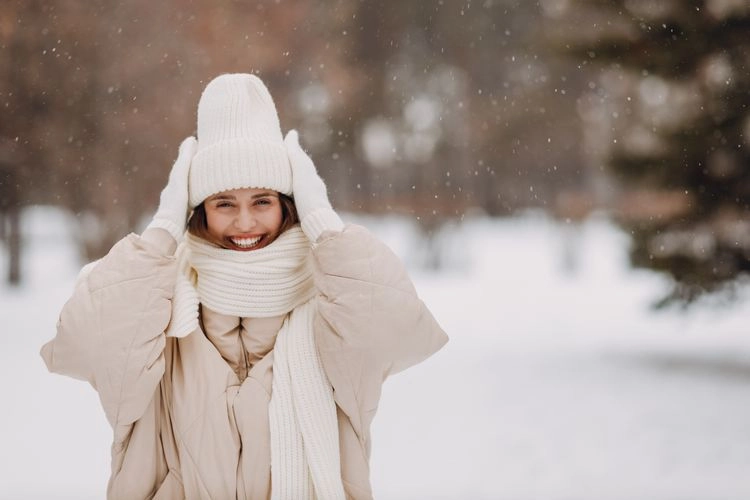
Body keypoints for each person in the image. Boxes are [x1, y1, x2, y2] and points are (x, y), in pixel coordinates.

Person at [40, 73, 448, 500]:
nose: (245, 223)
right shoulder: (159, 301)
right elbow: (85, 345)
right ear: (197, 211)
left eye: (262, 201)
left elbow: (395, 331)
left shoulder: (332, 300)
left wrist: (325, 225)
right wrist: (161, 231)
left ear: (289, 205)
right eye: (223, 203)